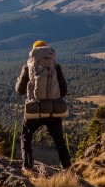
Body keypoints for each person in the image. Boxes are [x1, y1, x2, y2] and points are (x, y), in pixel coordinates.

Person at [15, 40, 72, 170]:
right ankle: (67, 168)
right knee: (59, 141)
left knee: (26, 136)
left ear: (33, 51)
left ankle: (28, 166)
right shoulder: (55, 66)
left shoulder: (28, 66)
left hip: (35, 109)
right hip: (53, 110)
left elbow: (20, 90)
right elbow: (63, 90)